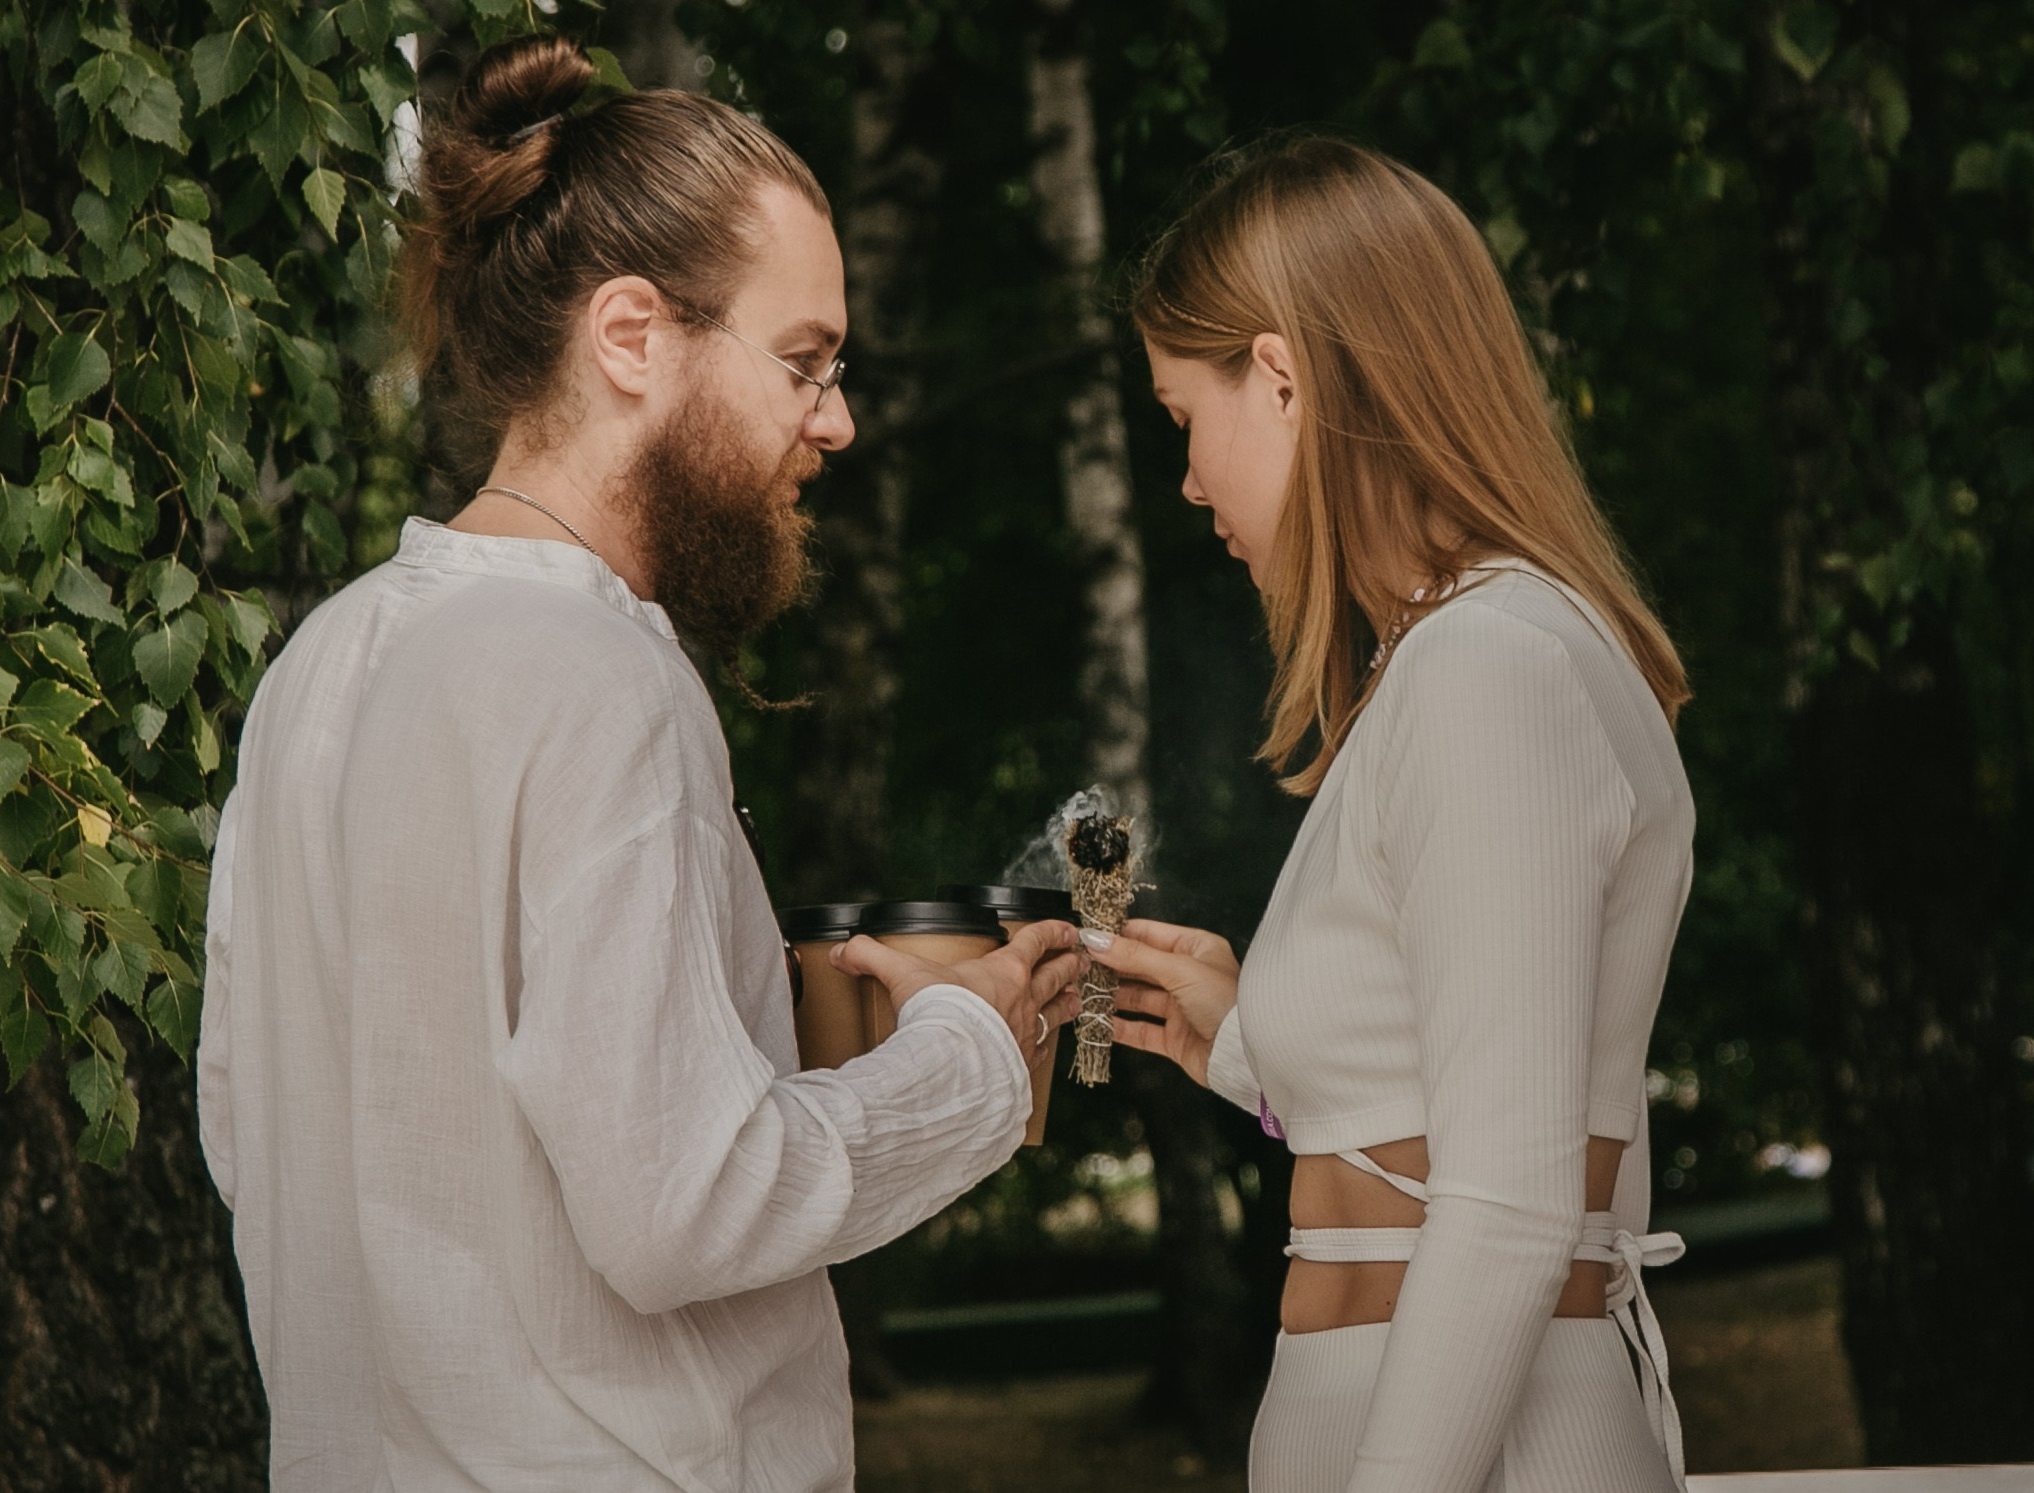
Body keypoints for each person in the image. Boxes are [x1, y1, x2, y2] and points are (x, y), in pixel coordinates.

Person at [195, 36, 1082, 1491]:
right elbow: (684, 1199)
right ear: (630, 337)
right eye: (804, 363)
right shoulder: (601, 675)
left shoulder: (317, 671)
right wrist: (972, 1054)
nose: (837, 420)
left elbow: (260, 1140)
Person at [1086, 137, 1698, 1492]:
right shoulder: (1467, 658)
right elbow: (1471, 1102)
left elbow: (1509, 1208)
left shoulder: (1490, 667)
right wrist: (1244, 1046)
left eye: (1187, 415)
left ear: (1285, 379)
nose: (1188, 482)